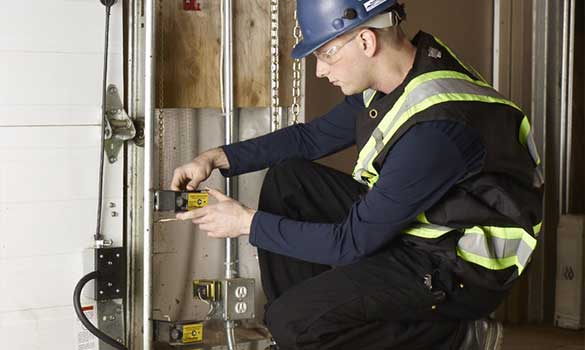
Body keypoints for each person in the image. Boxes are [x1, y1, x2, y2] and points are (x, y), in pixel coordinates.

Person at [171, 0, 544, 349]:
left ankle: (457, 335)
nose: (320, 70)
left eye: (326, 53)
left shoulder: (437, 131)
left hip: (458, 268)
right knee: (290, 182)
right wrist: (217, 157)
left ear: (365, 40)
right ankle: (304, 332)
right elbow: (310, 138)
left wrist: (245, 223)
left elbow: (350, 243)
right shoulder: (399, 81)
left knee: (289, 322)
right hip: (424, 231)